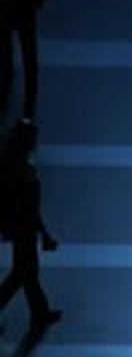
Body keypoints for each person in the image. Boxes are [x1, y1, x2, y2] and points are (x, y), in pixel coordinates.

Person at [0, 119, 61, 334]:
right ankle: (40, 313)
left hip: (18, 225)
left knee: (26, 273)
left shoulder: (14, 165)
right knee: (23, 273)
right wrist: (44, 233)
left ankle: (41, 312)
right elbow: (30, 207)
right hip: (24, 226)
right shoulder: (24, 169)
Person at [0, 0, 52, 122]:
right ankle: (26, 113)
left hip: (21, 2)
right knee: (16, 55)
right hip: (17, 2)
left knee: (21, 55)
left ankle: (26, 113)